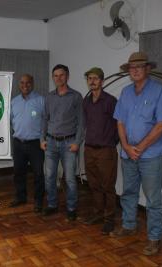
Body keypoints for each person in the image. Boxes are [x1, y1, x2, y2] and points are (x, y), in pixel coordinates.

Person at [111, 52, 162, 256]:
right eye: (132, 67)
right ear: (128, 71)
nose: (135, 70)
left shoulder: (160, 92)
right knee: (128, 193)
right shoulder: (126, 92)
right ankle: (129, 225)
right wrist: (126, 146)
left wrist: (141, 147)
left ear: (148, 69)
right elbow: (119, 121)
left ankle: (155, 237)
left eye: (140, 66)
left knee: (153, 199)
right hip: (128, 154)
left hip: (151, 156)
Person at [40, 64, 84, 220]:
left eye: (61, 75)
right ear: (53, 78)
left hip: (69, 143)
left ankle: (71, 208)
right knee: (50, 176)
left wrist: (77, 142)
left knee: (70, 178)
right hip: (50, 143)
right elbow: (44, 118)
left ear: (67, 76)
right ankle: (52, 204)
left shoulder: (76, 97)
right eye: (55, 76)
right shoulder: (49, 97)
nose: (58, 78)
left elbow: (81, 122)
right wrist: (42, 139)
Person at [82, 67, 118, 235]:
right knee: (94, 185)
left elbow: (119, 125)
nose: (92, 81)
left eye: (95, 78)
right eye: (89, 78)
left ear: (102, 81)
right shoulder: (86, 101)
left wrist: (111, 142)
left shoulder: (110, 101)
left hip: (105, 151)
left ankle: (109, 219)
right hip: (89, 149)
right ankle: (97, 214)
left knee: (108, 187)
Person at [9, 74, 45, 213]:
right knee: (18, 173)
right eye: (22, 83)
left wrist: (42, 139)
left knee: (38, 174)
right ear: (19, 84)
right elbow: (12, 121)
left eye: (28, 83)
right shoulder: (14, 101)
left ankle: (38, 200)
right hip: (18, 143)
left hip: (36, 144)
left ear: (33, 83)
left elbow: (45, 122)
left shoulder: (41, 100)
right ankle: (21, 197)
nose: (25, 85)